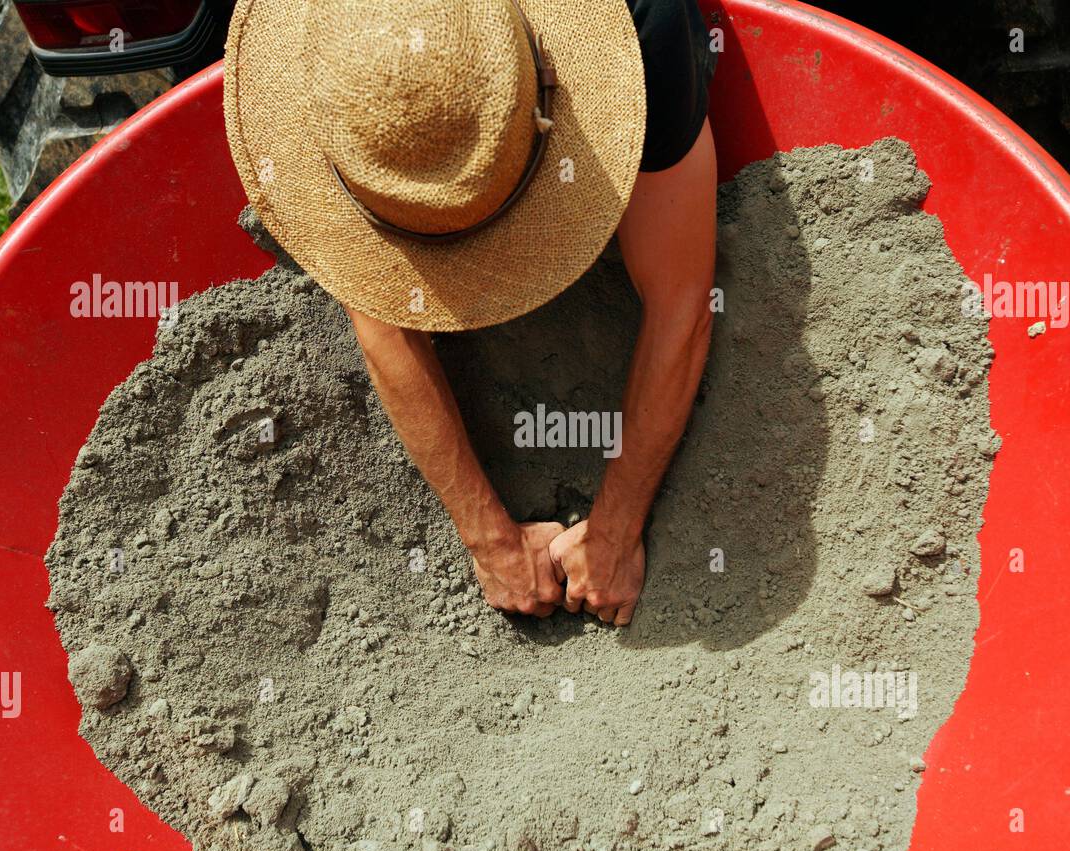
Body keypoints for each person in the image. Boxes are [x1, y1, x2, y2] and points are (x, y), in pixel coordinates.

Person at [224, 0, 718, 627]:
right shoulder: (330, 67)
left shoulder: (645, 24)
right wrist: (490, 540)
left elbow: (682, 301)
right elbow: (382, 321)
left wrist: (618, 528)